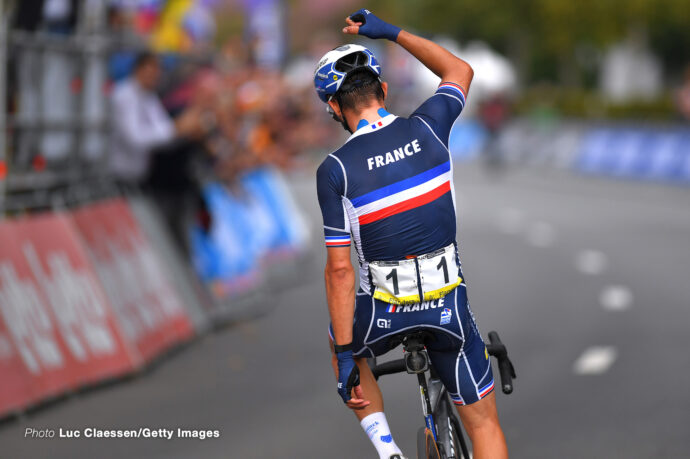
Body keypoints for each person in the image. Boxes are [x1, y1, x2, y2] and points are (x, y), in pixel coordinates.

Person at [314, 10, 508, 459]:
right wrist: (390, 33)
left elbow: (340, 273)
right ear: (382, 90)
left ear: (333, 108)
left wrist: (345, 357)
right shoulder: (429, 126)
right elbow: (460, 70)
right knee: (484, 424)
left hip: (383, 312)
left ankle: (388, 450)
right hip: (446, 306)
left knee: (339, 338)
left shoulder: (334, 170)